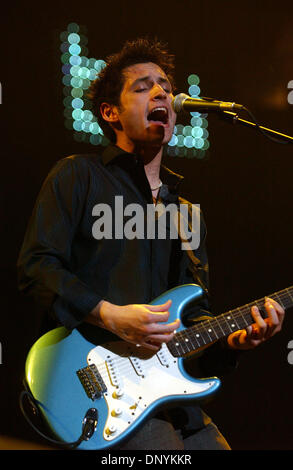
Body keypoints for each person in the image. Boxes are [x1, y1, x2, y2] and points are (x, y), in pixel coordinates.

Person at [17, 38, 285, 450]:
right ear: (111, 113)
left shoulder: (187, 213)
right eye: (143, 86)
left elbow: (194, 321)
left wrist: (232, 342)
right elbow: (36, 267)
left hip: (169, 401)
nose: (162, 92)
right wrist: (109, 315)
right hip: (95, 389)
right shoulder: (78, 177)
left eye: (164, 85)